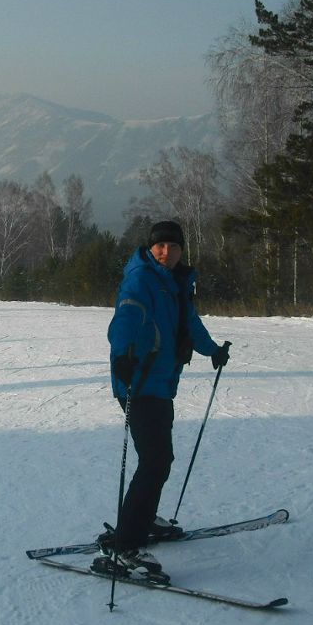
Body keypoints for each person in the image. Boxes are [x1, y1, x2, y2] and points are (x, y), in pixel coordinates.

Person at [98, 220, 231, 581]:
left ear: (181, 250)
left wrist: (212, 350)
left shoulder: (176, 283)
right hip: (137, 382)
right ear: (150, 247)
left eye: (173, 246)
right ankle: (125, 546)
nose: (166, 252)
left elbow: (190, 324)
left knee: (159, 459)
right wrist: (122, 354)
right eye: (160, 246)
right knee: (155, 461)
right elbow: (126, 317)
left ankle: (143, 520)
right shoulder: (141, 278)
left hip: (160, 383)